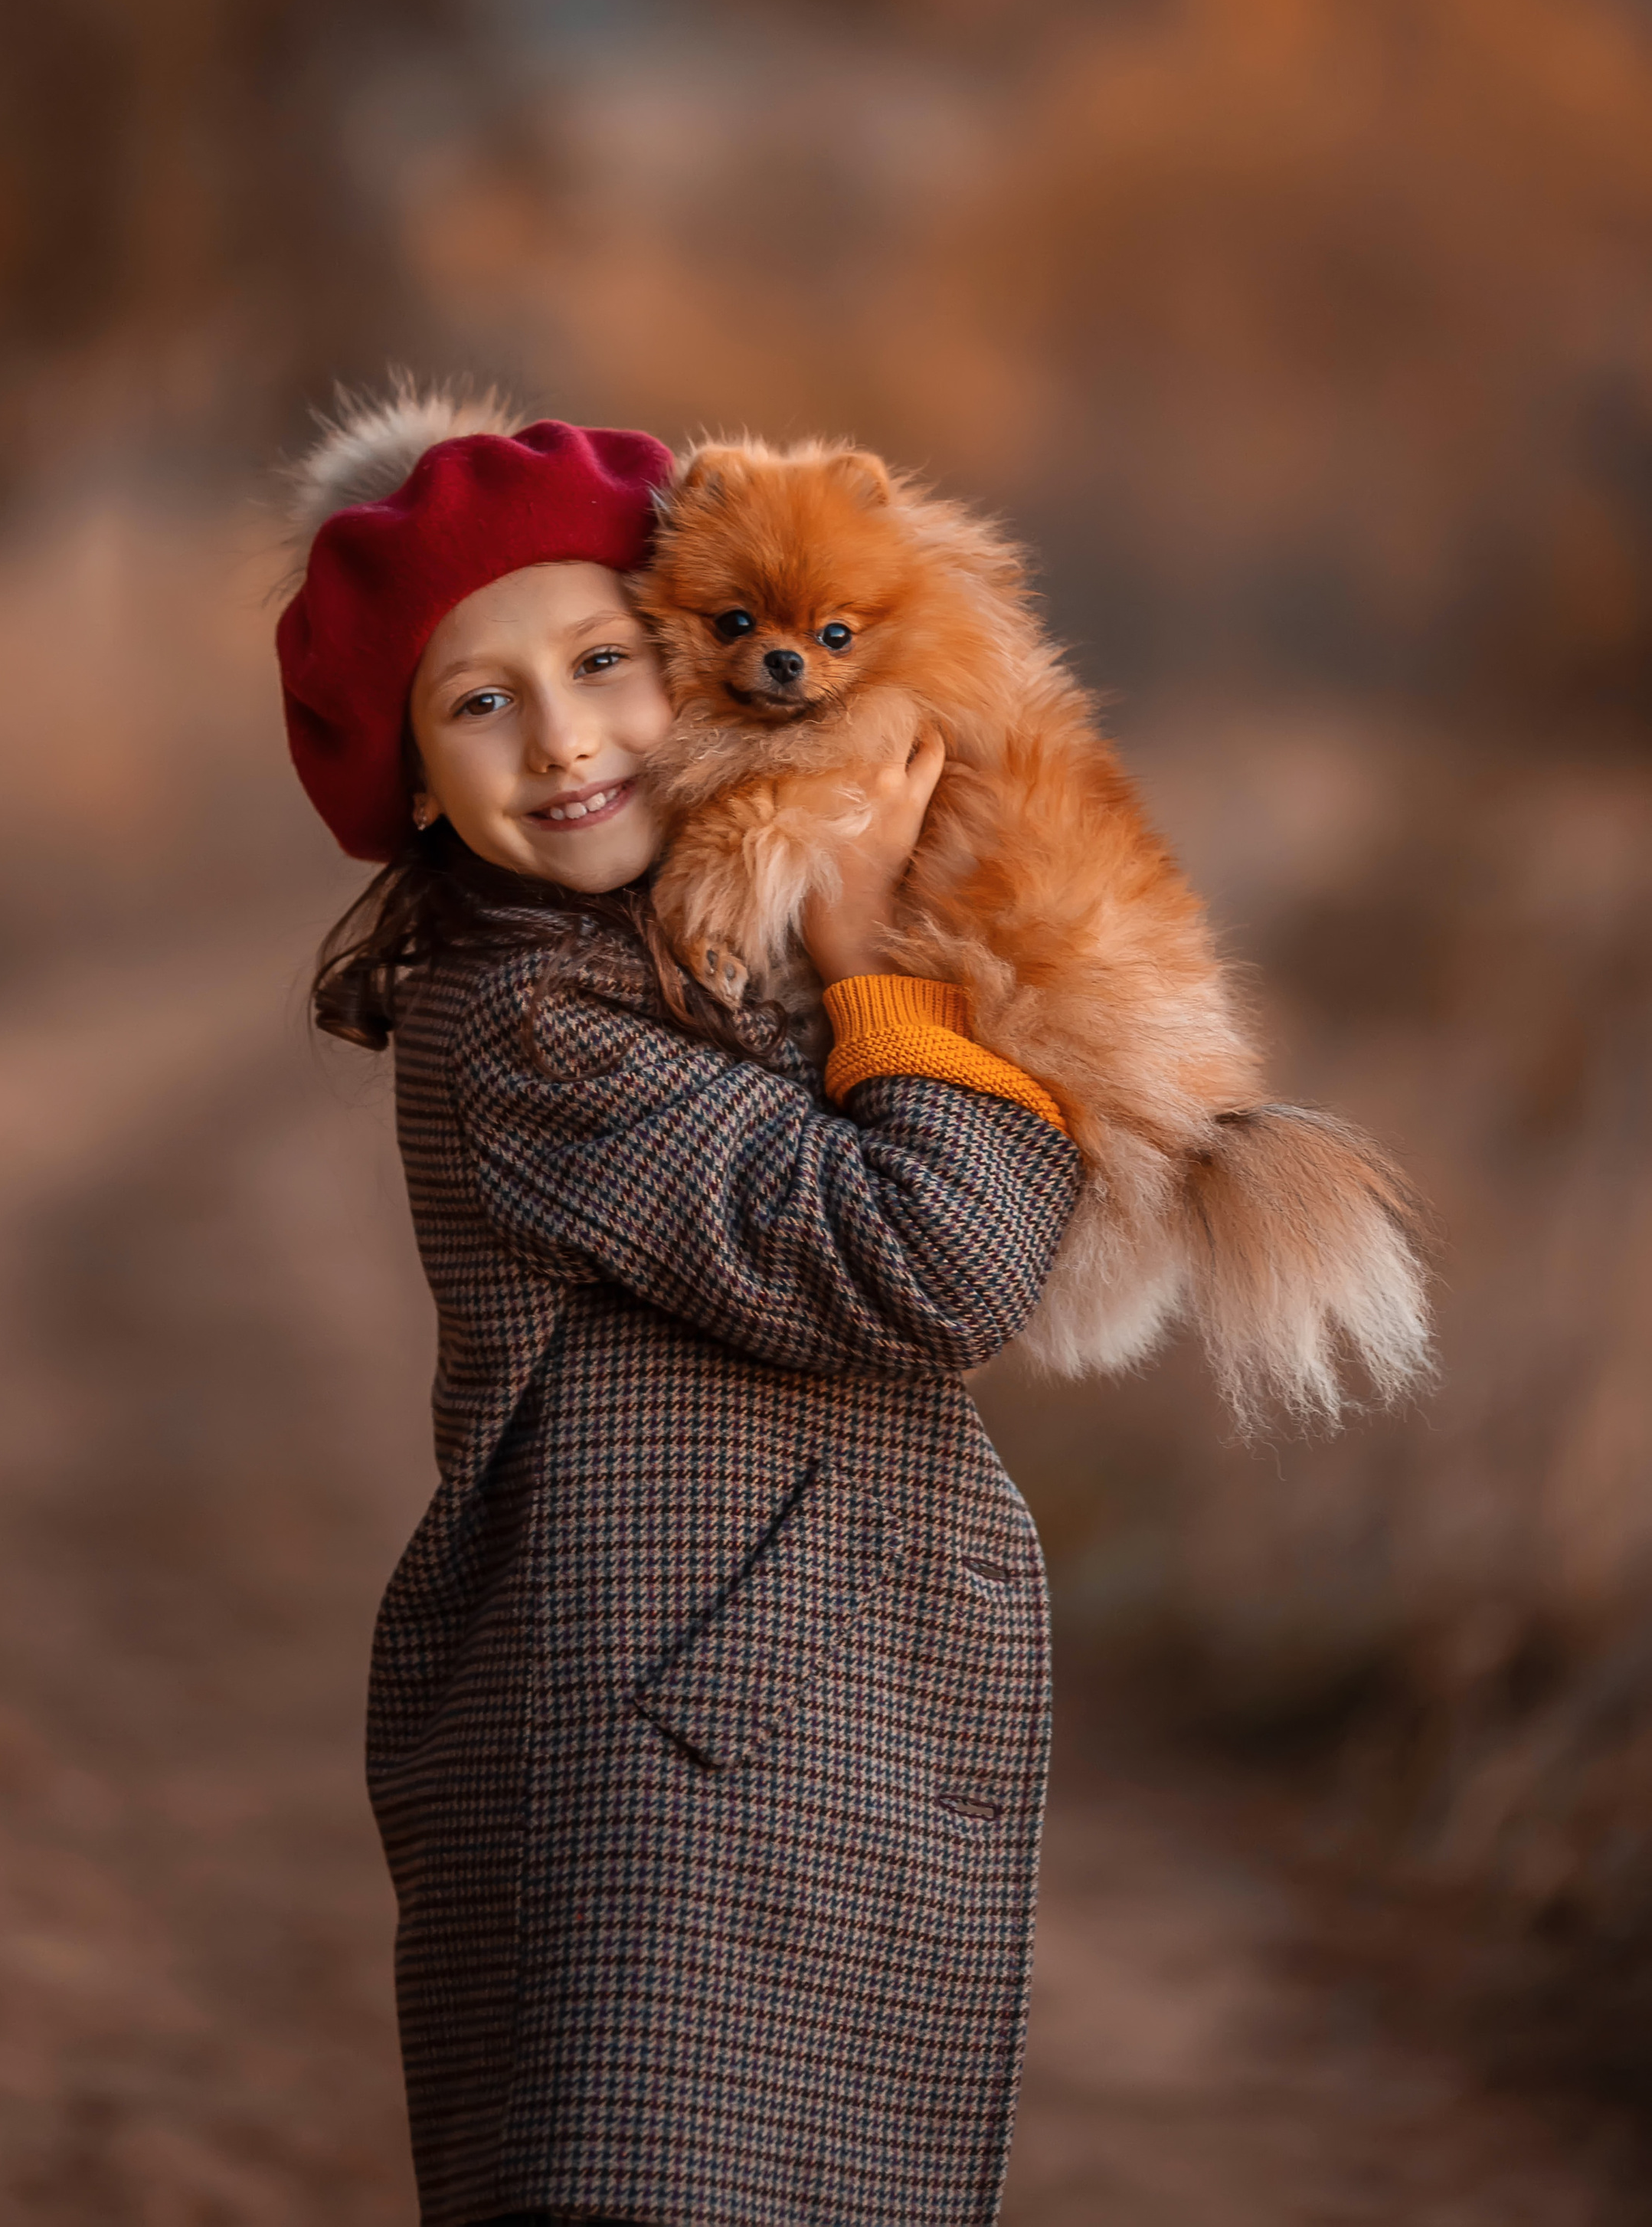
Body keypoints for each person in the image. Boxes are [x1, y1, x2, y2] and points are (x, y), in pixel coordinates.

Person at [276, 388, 1083, 2227]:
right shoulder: (531, 1019)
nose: (565, 740)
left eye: (604, 659)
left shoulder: (668, 945)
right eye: (479, 703)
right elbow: (933, 1261)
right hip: (657, 1791)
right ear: (407, 780)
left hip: (758, 1738)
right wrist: (876, 957)